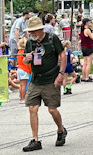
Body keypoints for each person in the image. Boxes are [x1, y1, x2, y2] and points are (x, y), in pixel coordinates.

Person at [22, 16, 67, 151]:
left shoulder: (52, 38)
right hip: (36, 80)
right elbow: (25, 61)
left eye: (34, 30)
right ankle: (35, 140)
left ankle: (61, 129)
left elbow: (63, 55)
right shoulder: (29, 42)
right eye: (30, 31)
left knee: (52, 109)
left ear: (41, 29)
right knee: (32, 108)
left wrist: (61, 73)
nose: (32, 33)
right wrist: (27, 58)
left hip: (51, 80)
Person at [16, 37, 31, 103]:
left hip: (19, 68)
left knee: (21, 84)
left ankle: (21, 97)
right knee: (24, 85)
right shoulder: (25, 53)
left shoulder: (19, 52)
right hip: (24, 69)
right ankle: (23, 98)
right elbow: (27, 63)